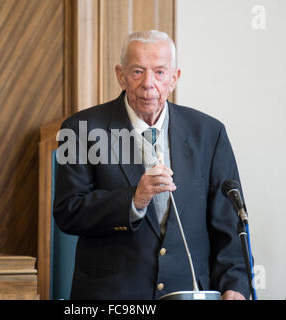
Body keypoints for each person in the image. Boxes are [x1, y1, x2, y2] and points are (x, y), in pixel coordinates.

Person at [53, 30, 250, 300]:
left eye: (159, 72)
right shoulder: (78, 130)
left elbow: (229, 225)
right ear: (120, 75)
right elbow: (67, 212)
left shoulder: (210, 133)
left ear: (174, 78)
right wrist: (134, 200)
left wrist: (234, 285)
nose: (149, 83)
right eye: (137, 72)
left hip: (190, 290)